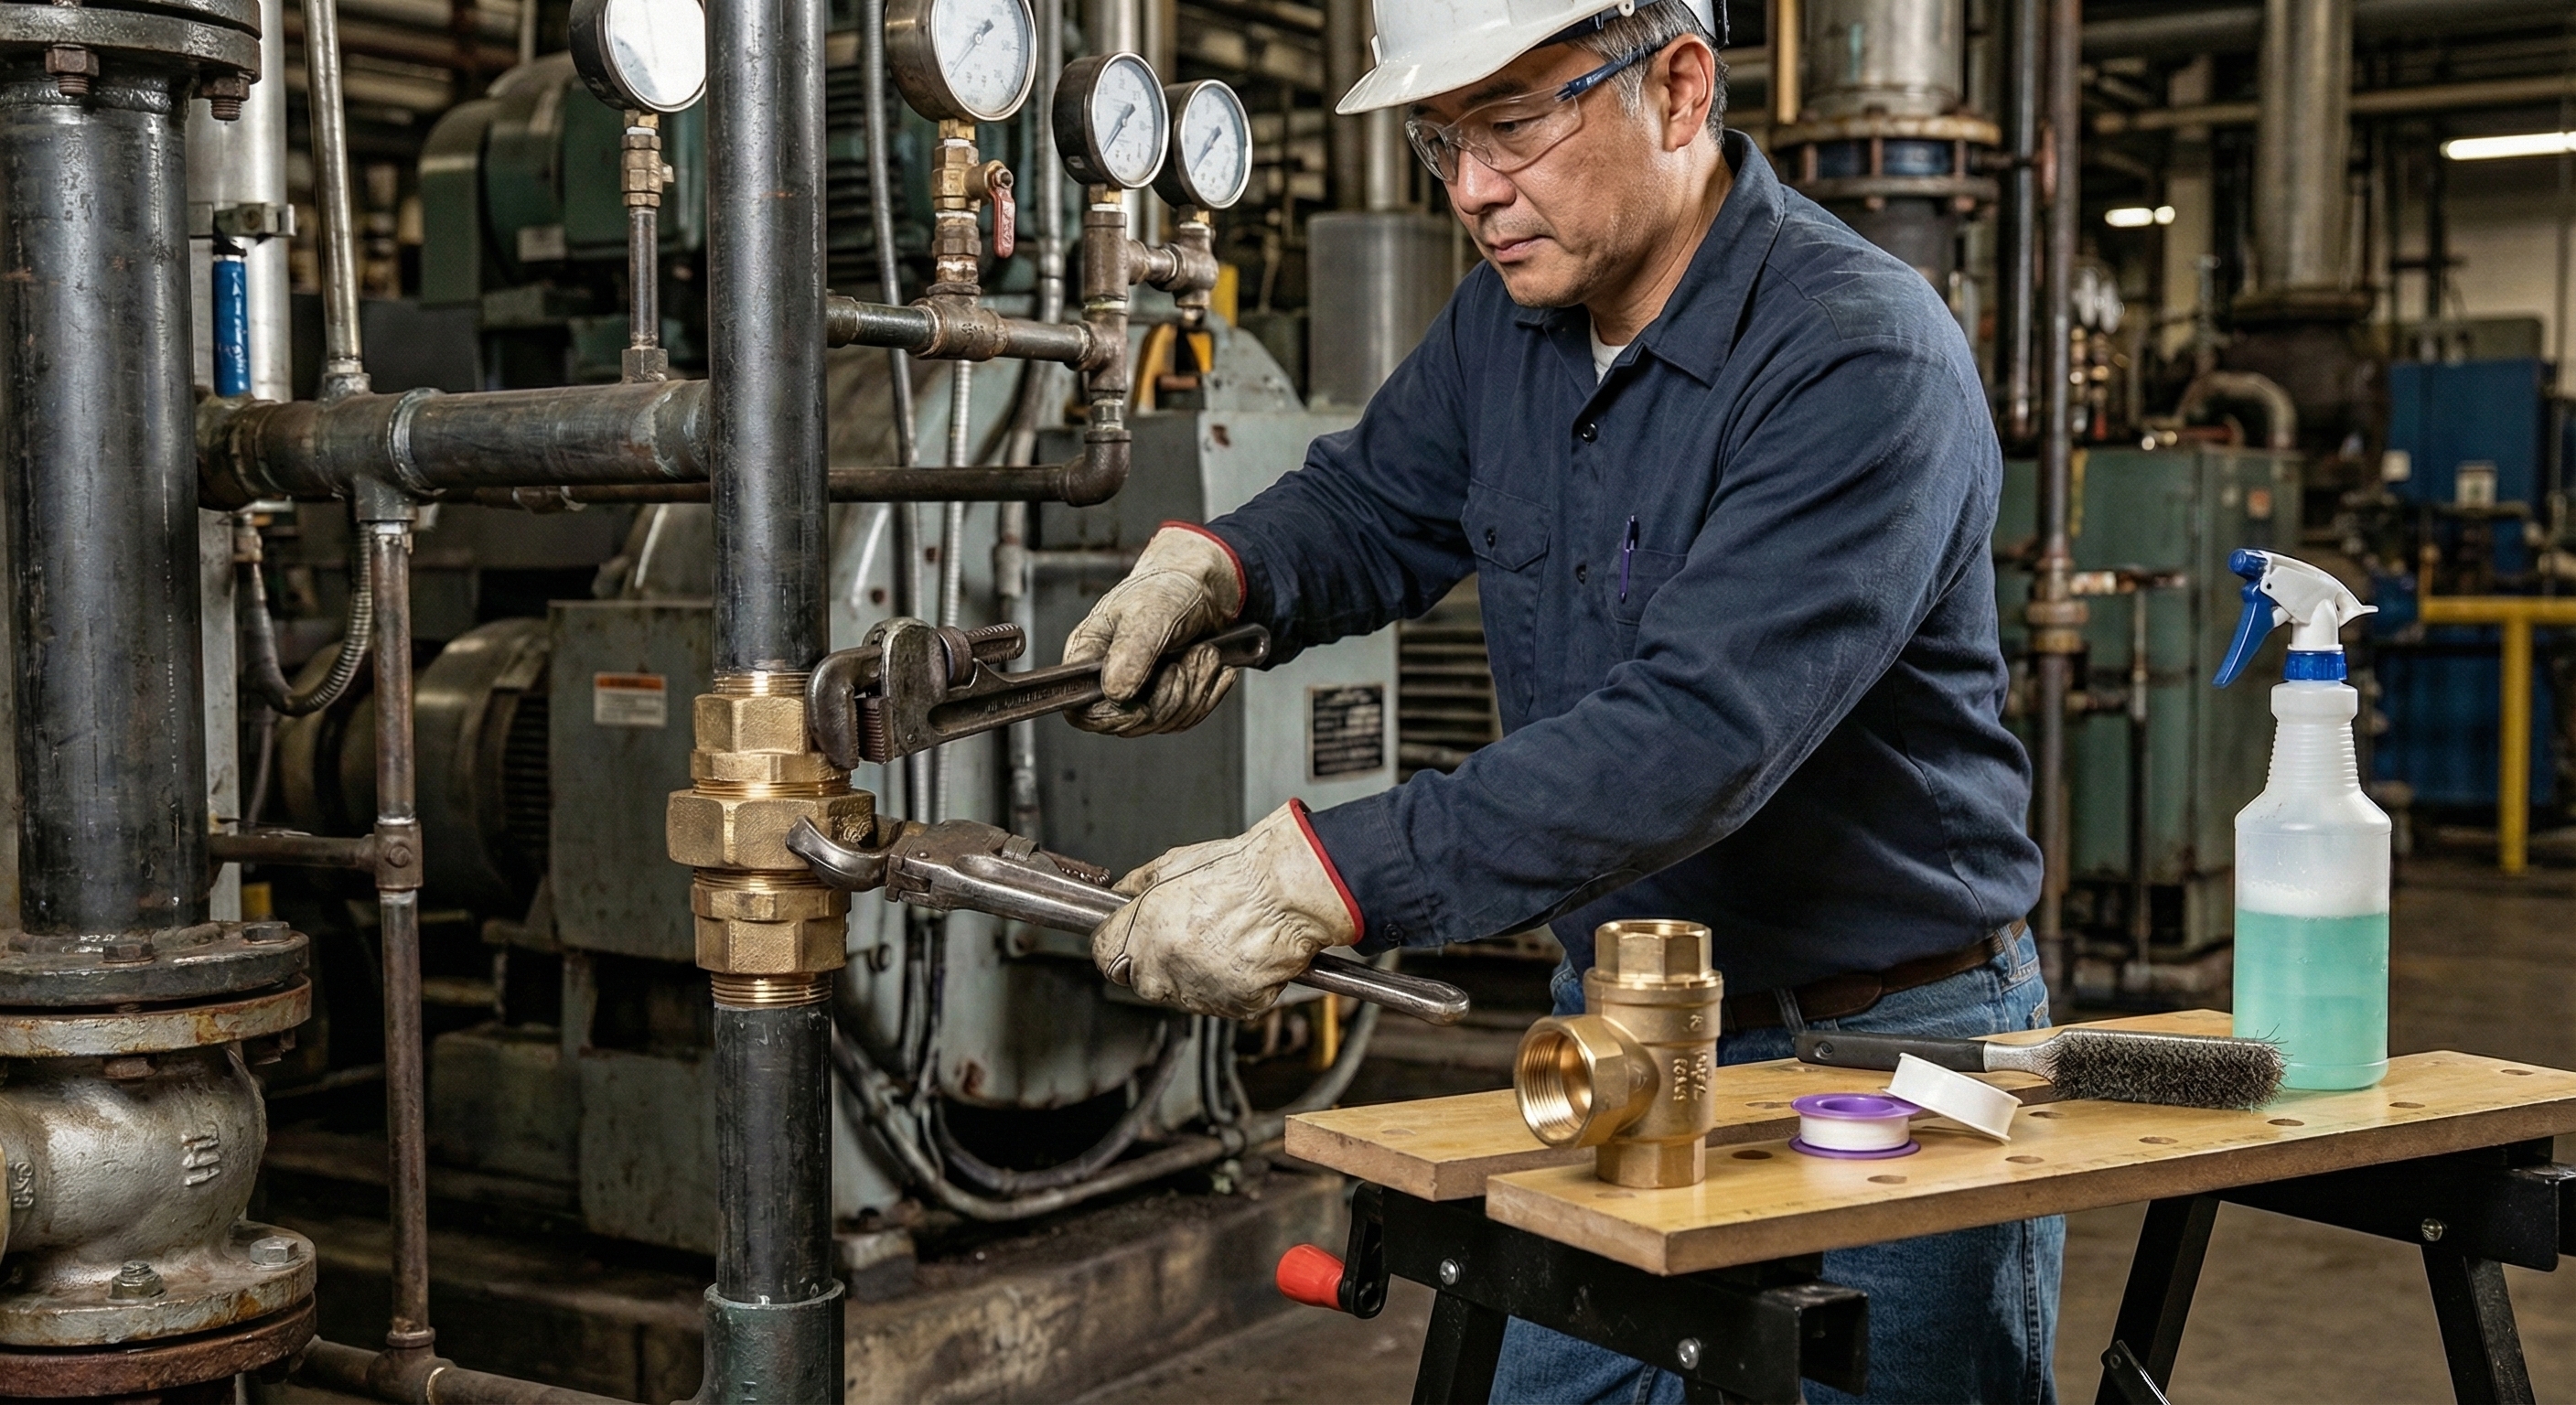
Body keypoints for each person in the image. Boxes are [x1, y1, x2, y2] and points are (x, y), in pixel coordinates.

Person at [1066, 0, 2057, 1398]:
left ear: (1680, 87)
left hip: (1880, 1063)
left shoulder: (1857, 355)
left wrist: (1327, 876)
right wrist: (1220, 571)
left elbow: (1692, 739)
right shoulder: (1513, 320)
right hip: (1620, 1041)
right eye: (1440, 141)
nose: (1473, 189)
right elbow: (1377, 500)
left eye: (1513, 122)